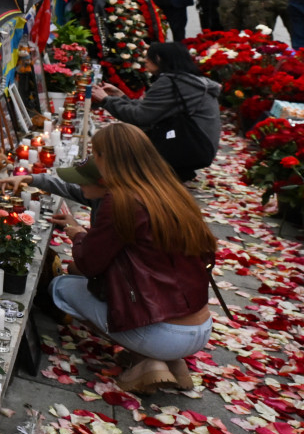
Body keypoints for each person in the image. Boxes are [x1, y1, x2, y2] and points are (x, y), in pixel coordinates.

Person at [50, 122, 218, 394]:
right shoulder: (168, 190)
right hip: (200, 327)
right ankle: (171, 362)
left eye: (96, 154)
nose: (93, 160)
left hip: (163, 332)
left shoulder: (121, 200)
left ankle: (149, 360)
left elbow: (89, 264)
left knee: (61, 287)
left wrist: (78, 234)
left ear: (108, 158)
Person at [89, 42, 224, 181]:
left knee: (119, 138)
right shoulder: (188, 81)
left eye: (148, 56)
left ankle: (162, 168)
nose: (145, 60)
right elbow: (151, 108)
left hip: (190, 148)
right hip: (199, 146)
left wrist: (106, 100)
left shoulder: (171, 82)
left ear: (159, 58)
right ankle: (172, 170)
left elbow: (140, 116)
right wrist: (120, 96)